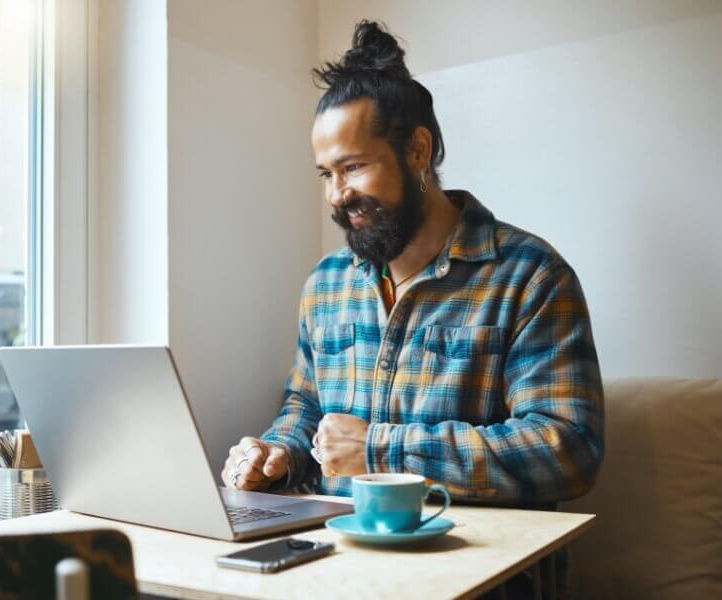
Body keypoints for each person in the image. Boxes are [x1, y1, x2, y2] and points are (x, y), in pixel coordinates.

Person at [222, 20, 604, 513]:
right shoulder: (326, 284)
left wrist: (382, 451)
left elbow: (569, 447)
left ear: (418, 151)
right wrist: (276, 455)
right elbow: (306, 408)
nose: (337, 195)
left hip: (475, 570)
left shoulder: (531, 278)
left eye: (354, 167)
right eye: (327, 174)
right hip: (335, 563)